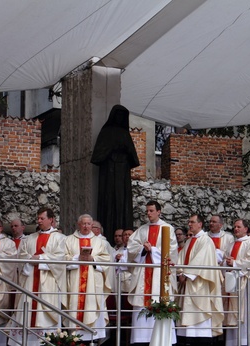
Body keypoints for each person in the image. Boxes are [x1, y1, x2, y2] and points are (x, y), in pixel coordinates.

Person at [9, 207, 66, 344]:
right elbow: (21, 255)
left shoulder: (60, 238)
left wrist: (40, 259)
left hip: (48, 283)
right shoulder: (29, 238)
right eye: (38, 218)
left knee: (44, 314)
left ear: (51, 220)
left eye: (42, 218)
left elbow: (61, 258)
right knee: (26, 312)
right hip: (29, 281)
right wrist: (30, 260)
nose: (39, 221)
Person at [126, 200, 177, 345]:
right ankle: (141, 341)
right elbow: (131, 247)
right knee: (141, 309)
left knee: (158, 301)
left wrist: (152, 250)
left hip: (159, 275)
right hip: (143, 273)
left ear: (159, 212)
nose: (148, 214)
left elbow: (171, 251)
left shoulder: (167, 228)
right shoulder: (142, 230)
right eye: (147, 211)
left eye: (151, 211)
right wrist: (143, 249)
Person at [91, 104, 140, 246]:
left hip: (122, 177)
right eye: (117, 115)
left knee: (123, 206)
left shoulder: (126, 134)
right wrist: (112, 148)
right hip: (108, 176)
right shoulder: (106, 132)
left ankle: (124, 237)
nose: (119, 118)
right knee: (109, 205)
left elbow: (134, 159)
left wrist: (125, 149)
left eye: (122, 116)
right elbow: (96, 157)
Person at [177, 214, 224, 346]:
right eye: (189, 222)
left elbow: (201, 261)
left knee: (199, 316)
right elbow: (181, 259)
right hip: (186, 284)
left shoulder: (206, 240)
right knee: (186, 326)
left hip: (199, 285)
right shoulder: (189, 241)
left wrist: (185, 275)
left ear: (200, 224)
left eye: (192, 222)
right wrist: (180, 272)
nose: (189, 224)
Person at [65, 214, 111, 342]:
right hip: (75, 282)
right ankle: (75, 338)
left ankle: (94, 339)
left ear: (92, 225)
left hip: (93, 284)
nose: (86, 226)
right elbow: (63, 258)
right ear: (79, 224)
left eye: (88, 224)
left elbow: (106, 261)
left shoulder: (100, 242)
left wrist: (94, 259)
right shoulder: (68, 240)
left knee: (93, 309)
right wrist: (76, 258)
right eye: (83, 223)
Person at [224, 219, 250, 346]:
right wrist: (227, 262)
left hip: (247, 283)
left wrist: (235, 263)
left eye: (239, 226)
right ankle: (234, 342)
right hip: (234, 283)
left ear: (246, 229)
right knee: (234, 312)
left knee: (249, 313)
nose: (236, 229)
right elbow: (226, 260)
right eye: (235, 227)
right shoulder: (231, 244)